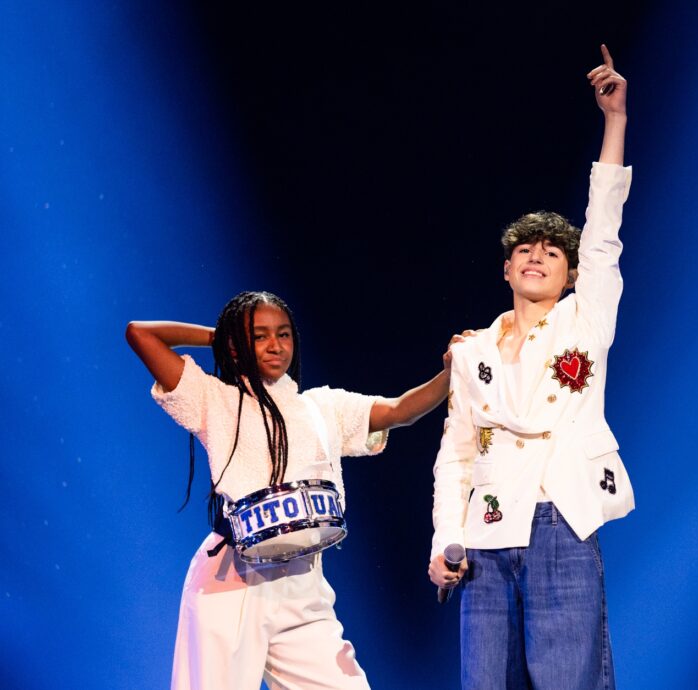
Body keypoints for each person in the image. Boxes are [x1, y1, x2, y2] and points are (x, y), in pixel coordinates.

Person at [427, 45, 632, 689]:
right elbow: (456, 454)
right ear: (507, 268)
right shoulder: (471, 351)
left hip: (562, 517)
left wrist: (615, 120)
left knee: (568, 680)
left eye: (552, 252)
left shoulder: (585, 322)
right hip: (487, 528)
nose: (537, 257)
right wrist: (444, 539)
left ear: (572, 273)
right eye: (525, 250)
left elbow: (603, 231)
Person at [126, 290, 450, 689]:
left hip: (302, 581)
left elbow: (401, 411)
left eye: (283, 334)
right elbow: (140, 334)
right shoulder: (215, 400)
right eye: (259, 336)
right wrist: (224, 336)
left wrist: (453, 373)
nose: (275, 346)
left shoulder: (323, 407)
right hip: (232, 581)